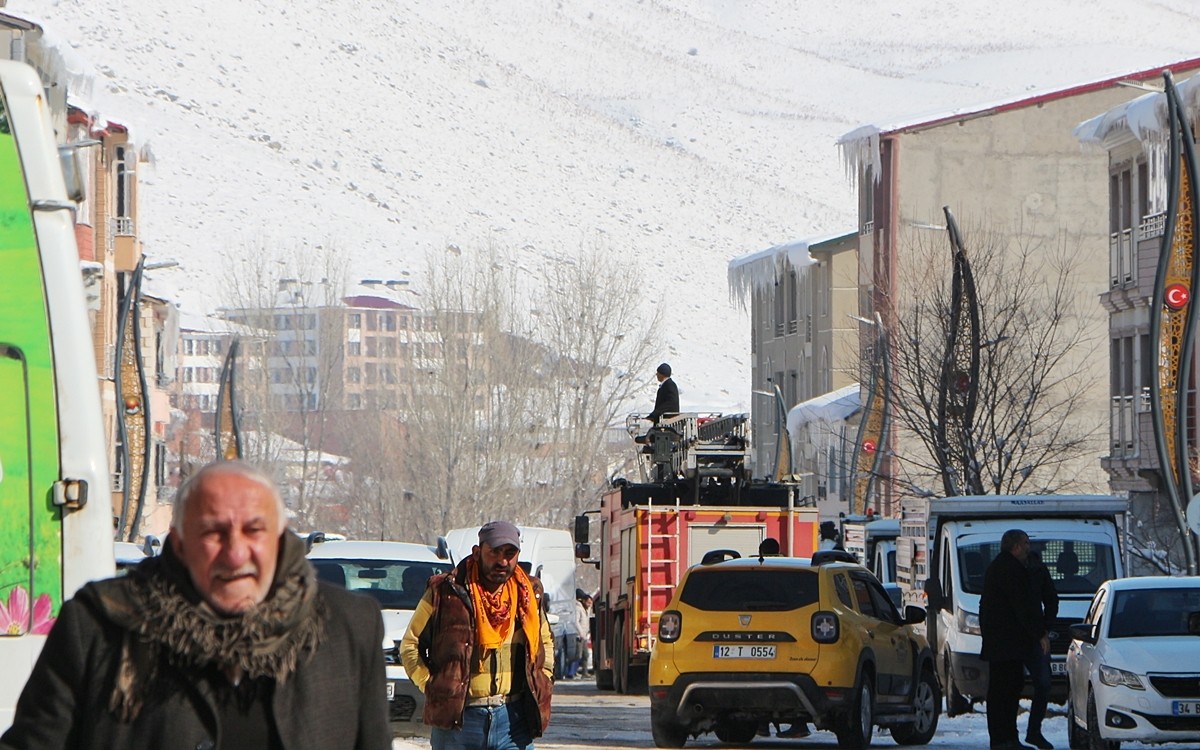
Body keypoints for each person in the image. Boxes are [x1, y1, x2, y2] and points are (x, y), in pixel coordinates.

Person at [0, 460, 390, 750]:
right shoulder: (100, 624)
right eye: (213, 533)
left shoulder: (348, 627)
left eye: (254, 530)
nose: (236, 554)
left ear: (280, 537)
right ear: (181, 544)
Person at [401, 520, 554, 750]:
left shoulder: (529, 594)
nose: (503, 561)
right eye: (495, 552)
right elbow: (410, 645)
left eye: (510, 553)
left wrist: (545, 676)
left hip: (514, 721)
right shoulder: (445, 591)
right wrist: (433, 686)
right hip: (459, 722)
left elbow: (545, 642)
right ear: (477, 551)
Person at [980, 529, 1048, 750]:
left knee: (1004, 690)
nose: (1029, 548)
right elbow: (1023, 607)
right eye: (1026, 543)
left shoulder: (999, 567)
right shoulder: (1011, 570)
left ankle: (1006, 738)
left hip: (1001, 643)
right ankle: (1004, 739)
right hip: (1007, 644)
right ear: (1016, 547)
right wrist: (1039, 633)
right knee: (1005, 692)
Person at [1022, 549, 1058, 750]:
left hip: (1034, 636)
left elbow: (1051, 599)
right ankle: (1010, 735)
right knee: (1009, 686)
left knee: (1044, 684)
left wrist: (1044, 629)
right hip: (1014, 637)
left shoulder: (1037, 570)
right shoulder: (1006, 569)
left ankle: (1033, 732)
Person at [565, 590, 591, 679]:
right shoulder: (578, 608)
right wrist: (581, 633)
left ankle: (584, 672)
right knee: (578, 655)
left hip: (583, 635)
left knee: (585, 654)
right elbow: (576, 622)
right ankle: (571, 672)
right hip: (579, 636)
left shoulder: (584, 608)